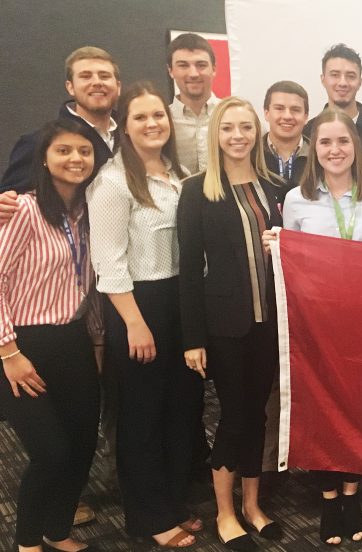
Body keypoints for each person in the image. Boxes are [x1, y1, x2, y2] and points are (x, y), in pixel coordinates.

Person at [85, 81, 204, 548]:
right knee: (141, 417)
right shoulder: (112, 182)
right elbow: (109, 262)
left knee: (182, 409)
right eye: (141, 117)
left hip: (182, 302)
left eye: (158, 115)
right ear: (125, 127)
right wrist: (135, 323)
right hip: (138, 306)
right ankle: (150, 518)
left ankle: (173, 502)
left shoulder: (180, 173)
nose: (153, 124)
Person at [262, 108, 362, 545]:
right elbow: (290, 262)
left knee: (356, 408)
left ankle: (352, 494)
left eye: (343, 142)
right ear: (313, 149)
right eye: (325, 143)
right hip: (314, 324)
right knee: (318, 409)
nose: (335, 150)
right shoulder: (297, 198)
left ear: (357, 147)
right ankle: (329, 497)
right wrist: (276, 245)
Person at [177, 97, 285, 552]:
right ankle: (224, 511)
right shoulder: (197, 189)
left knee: (258, 414)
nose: (238, 136)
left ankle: (253, 506)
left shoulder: (270, 186)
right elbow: (188, 268)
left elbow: (288, 251)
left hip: (269, 322)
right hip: (225, 325)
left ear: (256, 132)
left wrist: (279, 243)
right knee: (234, 416)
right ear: (215, 135)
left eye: (246, 127)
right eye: (229, 128)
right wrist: (193, 339)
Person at [0, 118, 103, 552]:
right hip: (23, 346)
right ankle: (26, 543)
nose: (75, 159)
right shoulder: (21, 209)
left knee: (81, 447)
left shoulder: (88, 212)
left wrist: (95, 341)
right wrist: (9, 352)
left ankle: (56, 531)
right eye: (64, 150)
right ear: (44, 158)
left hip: (74, 341)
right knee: (51, 452)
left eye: (84, 151)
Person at [2, 47, 121, 193]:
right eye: (85, 76)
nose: (96, 82)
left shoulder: (134, 137)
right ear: (70, 87)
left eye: (104, 76)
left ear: (118, 86)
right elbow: (10, 200)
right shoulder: (39, 142)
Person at [167, 33, 219, 175]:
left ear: (214, 69)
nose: (194, 73)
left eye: (201, 65)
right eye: (183, 65)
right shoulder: (161, 122)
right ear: (171, 71)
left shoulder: (233, 116)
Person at [308, 43, 362, 148]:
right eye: (335, 75)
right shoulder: (308, 131)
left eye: (351, 76)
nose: (343, 83)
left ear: (360, 82)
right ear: (323, 80)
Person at [262, 80, 310, 190]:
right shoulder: (251, 156)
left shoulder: (319, 157)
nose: (287, 116)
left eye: (295, 110)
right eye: (279, 108)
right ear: (266, 113)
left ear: (306, 116)